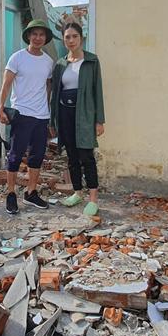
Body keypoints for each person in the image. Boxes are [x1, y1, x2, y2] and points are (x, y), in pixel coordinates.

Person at [0, 19, 56, 214]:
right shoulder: (17, 58)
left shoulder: (48, 62)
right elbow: (6, 84)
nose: (38, 38)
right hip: (21, 114)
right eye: (35, 34)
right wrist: (0, 108)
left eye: (41, 35)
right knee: (15, 155)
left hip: (41, 116)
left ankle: (31, 192)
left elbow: (47, 88)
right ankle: (11, 193)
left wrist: (48, 114)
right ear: (28, 36)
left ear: (45, 38)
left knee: (37, 156)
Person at [50, 22, 105, 216]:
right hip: (65, 114)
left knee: (86, 156)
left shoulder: (91, 61)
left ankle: (93, 198)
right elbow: (55, 93)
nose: (71, 40)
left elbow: (97, 91)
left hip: (84, 115)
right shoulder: (60, 64)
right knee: (71, 156)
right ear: (63, 40)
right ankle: (77, 192)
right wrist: (53, 120)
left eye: (74, 36)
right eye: (67, 37)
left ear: (81, 38)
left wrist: (99, 120)